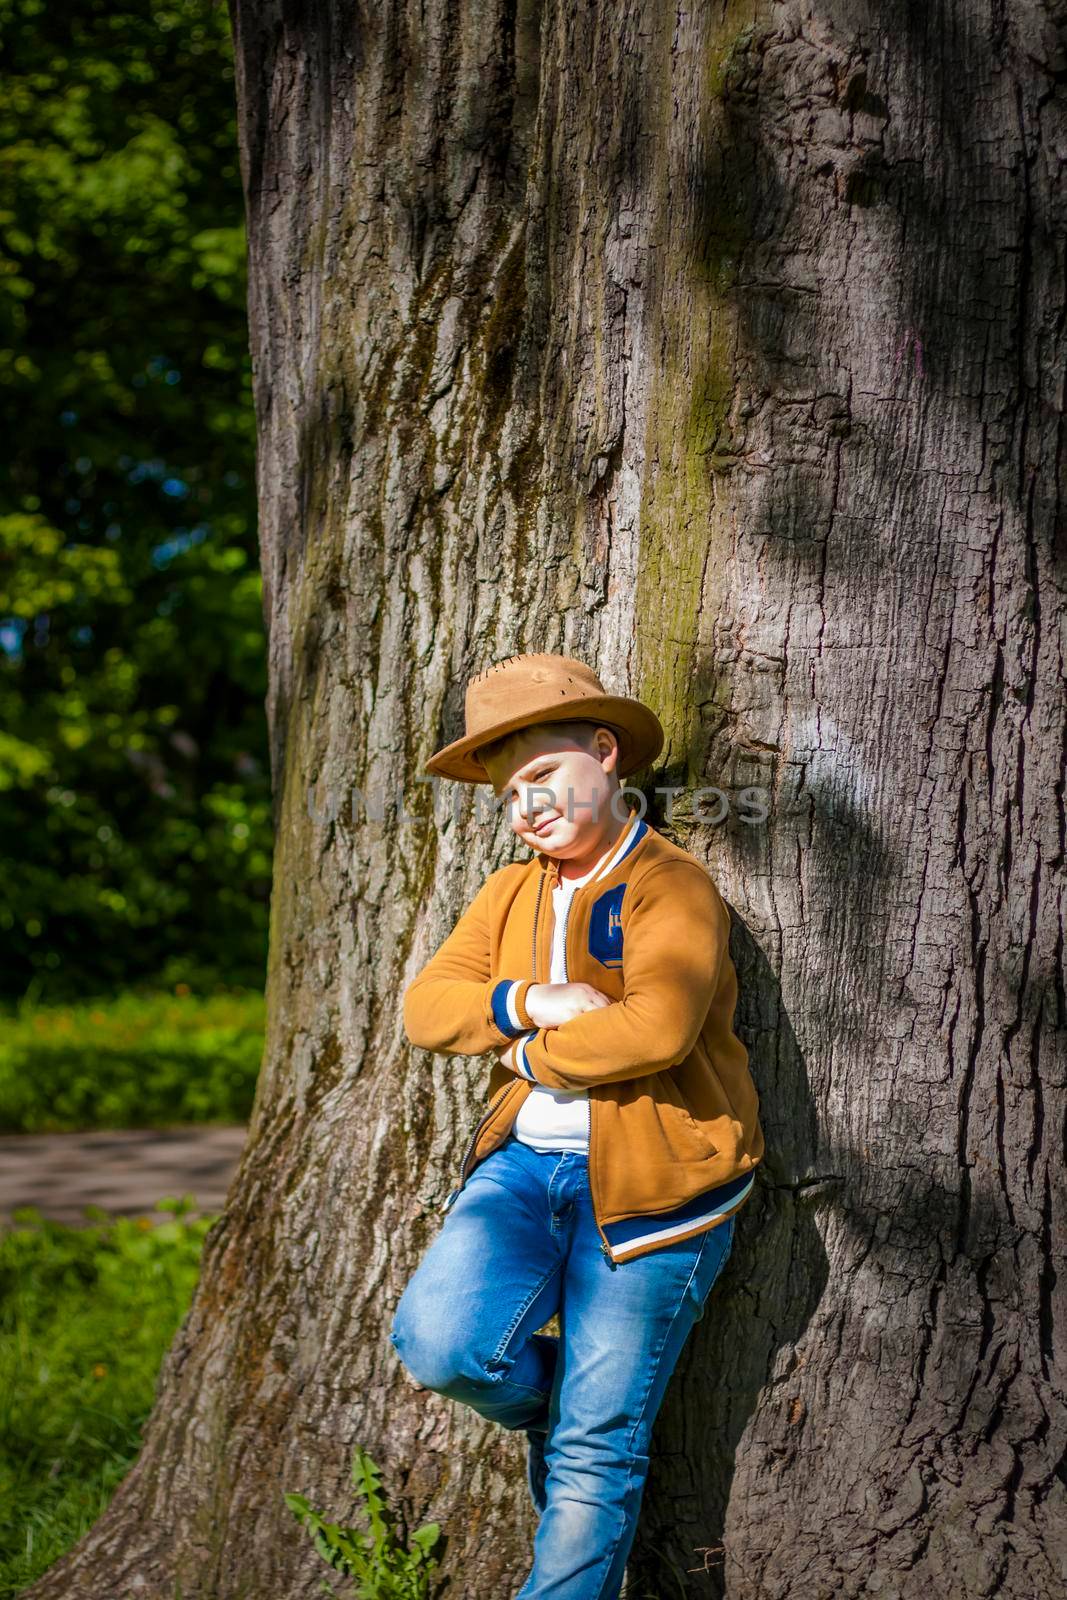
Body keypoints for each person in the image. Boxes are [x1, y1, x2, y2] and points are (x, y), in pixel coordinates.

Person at [390, 651, 764, 1600]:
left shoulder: (665, 883)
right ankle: (579, 1398)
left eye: (542, 777)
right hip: (524, 1172)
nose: (526, 808)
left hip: (657, 1186)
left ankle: (590, 1445)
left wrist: (521, 1052)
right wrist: (529, 997)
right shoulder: (510, 891)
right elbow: (427, 1008)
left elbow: (656, 1029)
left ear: (603, 752)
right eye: (508, 793)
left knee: (597, 1459)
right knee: (443, 1347)